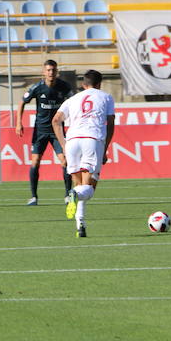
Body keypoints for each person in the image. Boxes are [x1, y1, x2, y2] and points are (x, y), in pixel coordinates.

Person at [52, 70, 115, 238]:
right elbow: (110, 123)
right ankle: (74, 195)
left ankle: (80, 225)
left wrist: (64, 146)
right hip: (92, 139)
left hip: (72, 141)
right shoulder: (106, 97)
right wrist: (105, 148)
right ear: (100, 84)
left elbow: (56, 121)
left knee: (79, 184)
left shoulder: (71, 99)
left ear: (83, 84)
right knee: (88, 189)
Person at [15, 60, 74, 207]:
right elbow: (22, 102)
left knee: (65, 161)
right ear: (43, 72)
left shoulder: (64, 87)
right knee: (35, 162)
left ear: (57, 71)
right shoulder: (37, 87)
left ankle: (68, 195)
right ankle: (33, 197)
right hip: (40, 131)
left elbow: (74, 102)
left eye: (53, 70)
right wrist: (18, 123)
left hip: (57, 131)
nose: (51, 73)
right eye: (48, 70)